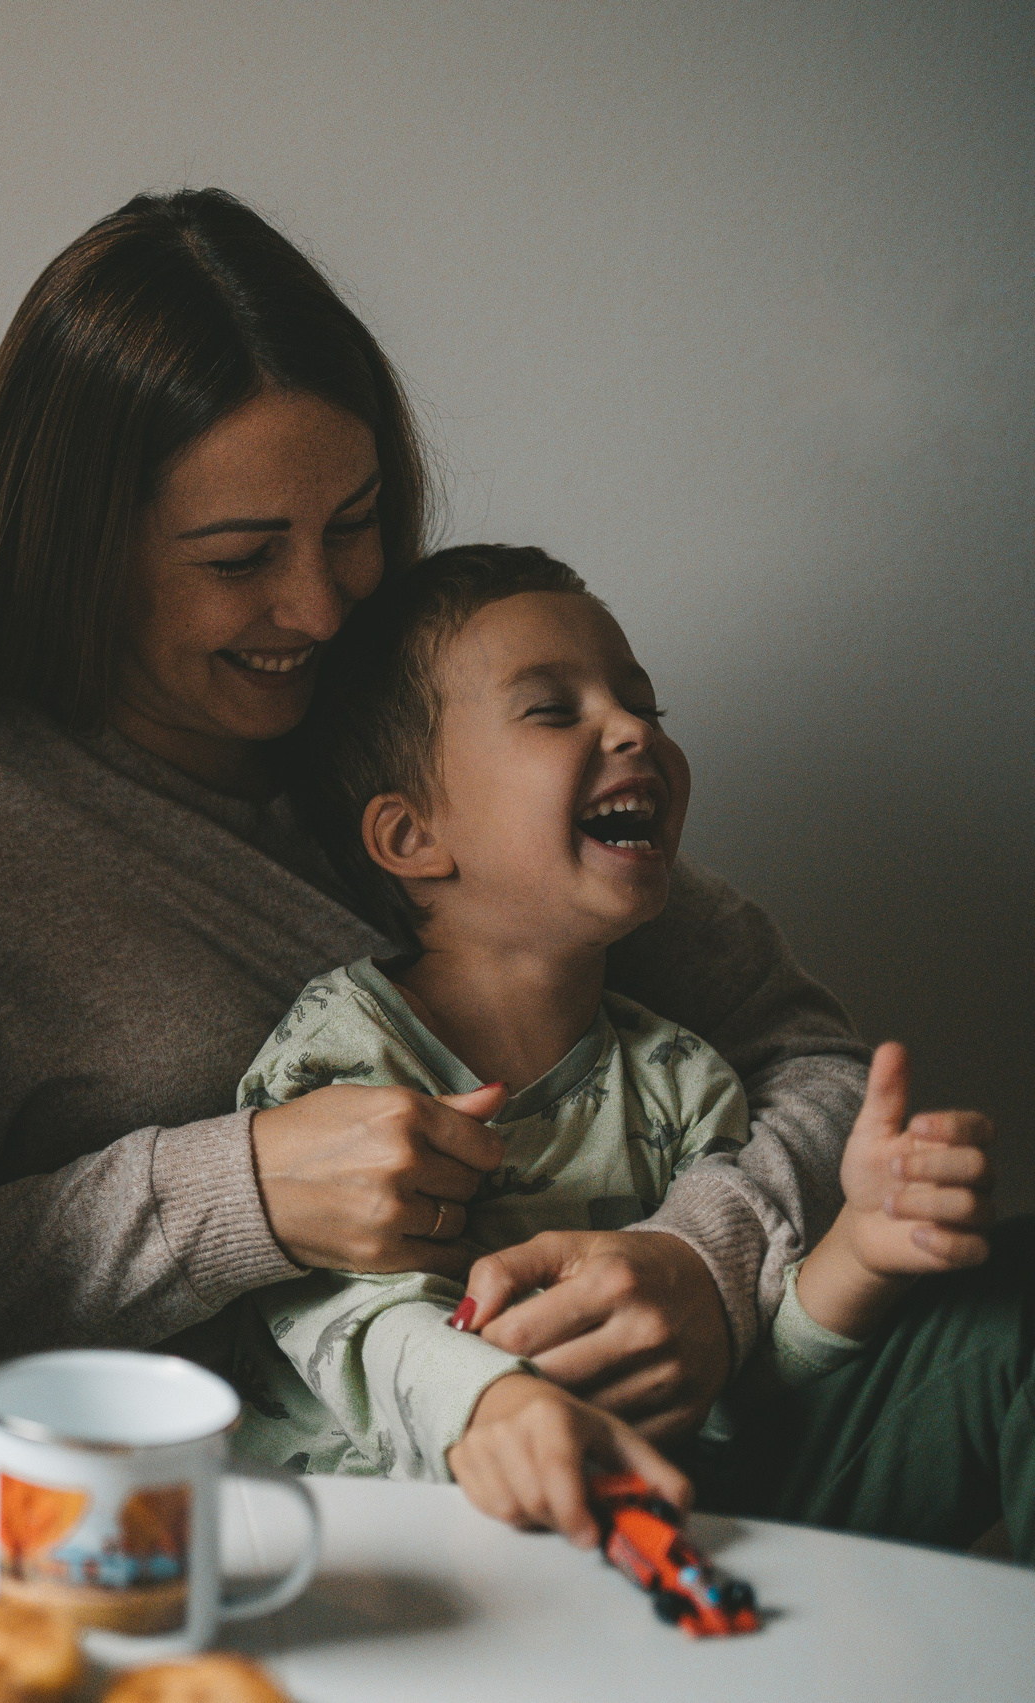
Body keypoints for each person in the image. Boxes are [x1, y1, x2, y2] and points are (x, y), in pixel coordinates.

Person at [0, 189, 995, 1477]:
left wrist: (702, 1261)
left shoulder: (433, 738)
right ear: (80, 548)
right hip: (243, 1502)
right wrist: (238, 1192)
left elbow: (813, 1062)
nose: (320, 608)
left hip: (633, 1430)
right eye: (238, 556)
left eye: (354, 524)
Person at [221, 542, 1019, 1554]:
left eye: (643, 704)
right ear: (412, 836)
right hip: (391, 1545)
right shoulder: (343, 1053)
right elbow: (352, 1323)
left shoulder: (680, 1077)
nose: (632, 727)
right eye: (553, 708)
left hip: (636, 1515)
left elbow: (736, 1369)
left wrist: (860, 1250)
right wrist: (494, 1406)